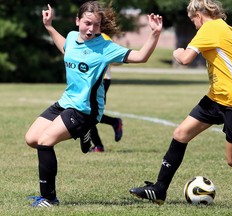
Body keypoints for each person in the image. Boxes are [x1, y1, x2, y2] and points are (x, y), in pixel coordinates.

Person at [129, 0, 232, 207]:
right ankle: (159, 189)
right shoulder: (230, 30)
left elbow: (185, 59)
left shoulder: (209, 28)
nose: (194, 25)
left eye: (193, 21)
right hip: (215, 98)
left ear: (199, 15)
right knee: (180, 134)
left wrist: (176, 52)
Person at [25, 1, 162, 207]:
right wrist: (49, 27)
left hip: (85, 111)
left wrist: (155, 34)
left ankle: (49, 198)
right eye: (87, 23)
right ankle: (83, 133)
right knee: (31, 139)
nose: (91, 29)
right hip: (65, 102)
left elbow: (141, 56)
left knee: (45, 142)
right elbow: (65, 47)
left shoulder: (105, 47)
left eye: (96, 25)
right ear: (78, 20)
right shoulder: (72, 37)